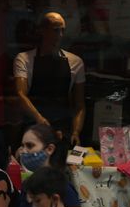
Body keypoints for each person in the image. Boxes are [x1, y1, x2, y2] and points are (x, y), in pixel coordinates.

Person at [14, 12, 86, 145]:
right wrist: (40, 119)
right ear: (42, 31)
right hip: (33, 128)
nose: (60, 35)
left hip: (62, 130)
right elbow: (20, 95)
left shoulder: (76, 62)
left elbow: (79, 105)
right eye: (55, 30)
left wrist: (76, 132)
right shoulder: (24, 59)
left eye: (62, 30)